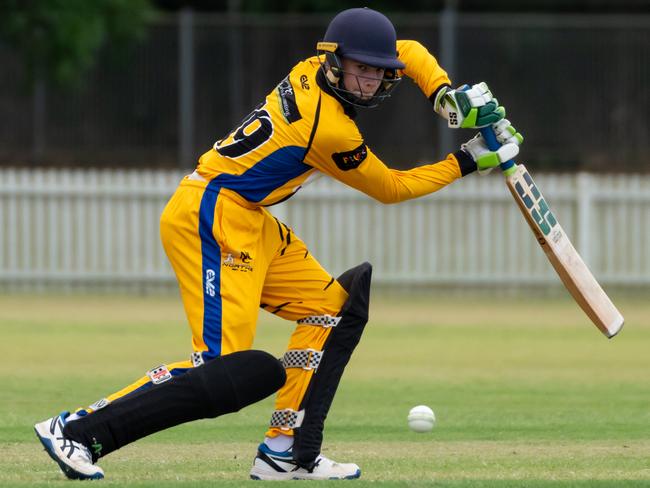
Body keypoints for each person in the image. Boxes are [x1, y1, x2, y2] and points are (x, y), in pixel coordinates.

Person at [34, 7, 523, 482]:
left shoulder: (312, 69)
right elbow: (390, 188)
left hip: (249, 216)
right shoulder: (328, 128)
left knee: (330, 310)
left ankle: (284, 451)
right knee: (220, 368)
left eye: (378, 72)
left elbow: (409, 51)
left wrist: (445, 96)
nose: (370, 81)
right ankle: (76, 430)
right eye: (361, 71)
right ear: (334, 61)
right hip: (213, 212)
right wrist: (467, 159)